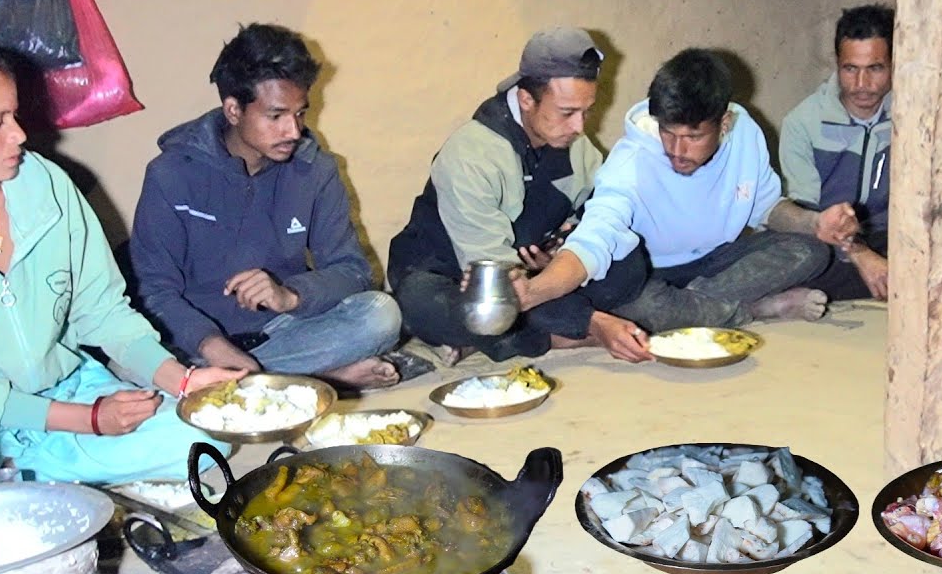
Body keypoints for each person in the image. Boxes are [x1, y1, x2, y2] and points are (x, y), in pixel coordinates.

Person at [0, 32, 245, 498]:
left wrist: (184, 380)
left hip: (61, 384)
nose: (19, 134)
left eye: (14, 116)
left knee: (199, 438)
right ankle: (21, 472)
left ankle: (14, 478)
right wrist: (91, 421)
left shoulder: (46, 186)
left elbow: (103, 311)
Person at [129, 23, 428, 394]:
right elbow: (153, 291)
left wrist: (290, 295)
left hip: (281, 332)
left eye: (300, 114)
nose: (293, 130)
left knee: (381, 314)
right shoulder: (171, 174)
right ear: (234, 109)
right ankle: (321, 380)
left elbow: (352, 270)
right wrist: (210, 344)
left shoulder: (315, 170)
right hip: (196, 344)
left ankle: (261, 383)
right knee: (133, 370)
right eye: (275, 116)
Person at [517, 48, 844, 332]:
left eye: (693, 137)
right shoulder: (629, 164)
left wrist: (814, 224)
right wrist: (532, 293)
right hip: (649, 274)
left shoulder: (745, 134)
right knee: (637, 306)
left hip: (717, 262)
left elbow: (767, 207)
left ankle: (697, 310)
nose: (677, 149)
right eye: (668, 133)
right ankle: (753, 309)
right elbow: (593, 240)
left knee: (810, 250)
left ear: (725, 124)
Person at [387, 27, 654, 363]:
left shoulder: (577, 147)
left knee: (629, 265)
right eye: (567, 112)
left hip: (533, 274)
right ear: (527, 99)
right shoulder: (470, 156)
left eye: (587, 111)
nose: (579, 127)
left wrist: (562, 260)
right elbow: (496, 286)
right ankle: (564, 336)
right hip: (457, 276)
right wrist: (591, 322)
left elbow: (596, 221)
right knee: (433, 306)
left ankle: (515, 338)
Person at [779, 3, 942, 302]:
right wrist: (859, 253)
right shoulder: (803, 124)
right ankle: (904, 284)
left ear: (894, 63)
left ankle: (907, 283)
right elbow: (808, 217)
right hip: (838, 244)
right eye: (850, 69)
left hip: (905, 236)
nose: (862, 84)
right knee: (802, 258)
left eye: (875, 68)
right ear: (837, 63)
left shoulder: (918, 110)